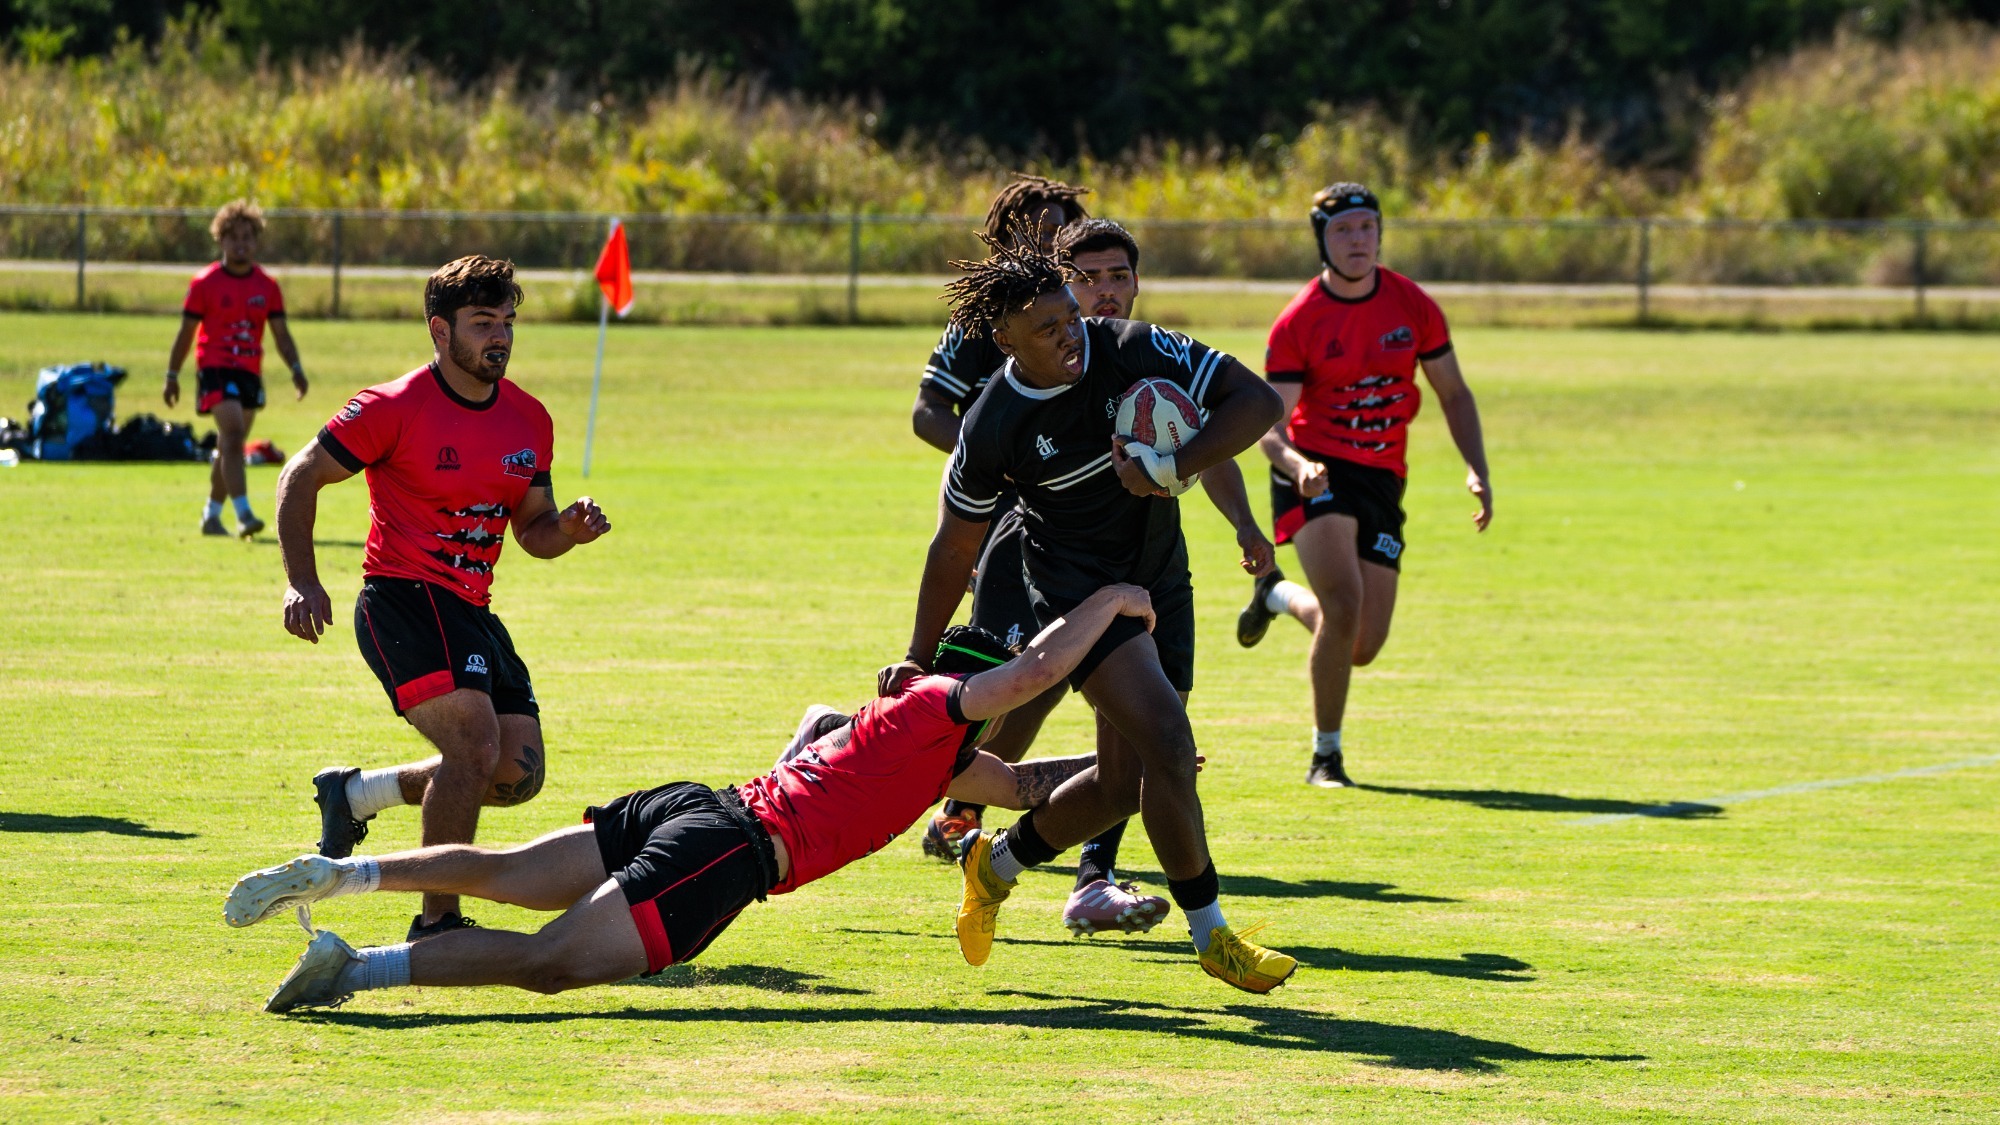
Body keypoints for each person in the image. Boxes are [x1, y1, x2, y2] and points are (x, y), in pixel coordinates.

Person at [227, 591, 1153, 1014]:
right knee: (549, 963)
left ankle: (342, 872)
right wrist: (1114, 598)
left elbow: (1027, 787)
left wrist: (1135, 753)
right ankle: (353, 970)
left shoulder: (935, 753)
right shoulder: (931, 706)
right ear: (973, 687)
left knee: (505, 873)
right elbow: (1034, 671)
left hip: (695, 807)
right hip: (727, 852)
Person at [881, 227, 1297, 993]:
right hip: (1078, 591)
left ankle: (996, 862)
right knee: (1169, 740)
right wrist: (917, 653)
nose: (1070, 334)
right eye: (1046, 328)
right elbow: (953, 546)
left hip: (1161, 576)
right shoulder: (992, 423)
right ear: (1004, 340)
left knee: (1122, 781)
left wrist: (1171, 464)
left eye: (1069, 316)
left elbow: (1257, 401)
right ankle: (1213, 935)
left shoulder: (1129, 345)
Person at [273, 255, 612, 943]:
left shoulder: (530, 419)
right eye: (482, 322)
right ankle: (437, 923)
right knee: (474, 748)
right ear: (440, 330)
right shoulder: (392, 407)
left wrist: (568, 532)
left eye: (507, 322)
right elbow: (300, 475)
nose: (500, 337)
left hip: (470, 611)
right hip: (402, 597)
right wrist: (302, 578)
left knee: (515, 772)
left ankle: (356, 794)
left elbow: (533, 531)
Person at [1235, 184, 1493, 789]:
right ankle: (1326, 757)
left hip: (1381, 476)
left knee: (1361, 644)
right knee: (1345, 605)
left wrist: (1477, 467)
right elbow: (1268, 427)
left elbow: (1454, 393)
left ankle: (1276, 595)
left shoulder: (1413, 305)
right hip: (1315, 470)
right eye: (1343, 230)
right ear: (1321, 239)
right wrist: (1297, 466)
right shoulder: (1299, 320)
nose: (1358, 240)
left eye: (1367, 228)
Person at [163, 200, 308, 538]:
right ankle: (244, 514)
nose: (240, 243)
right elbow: (185, 334)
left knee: (231, 443)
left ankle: (211, 515)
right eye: (233, 237)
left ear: (256, 241)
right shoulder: (204, 283)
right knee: (232, 433)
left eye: (247, 237)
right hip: (215, 367)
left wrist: (296, 368)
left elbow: (281, 335)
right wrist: (171, 375)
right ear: (221, 239)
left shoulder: (267, 286)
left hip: (249, 371)